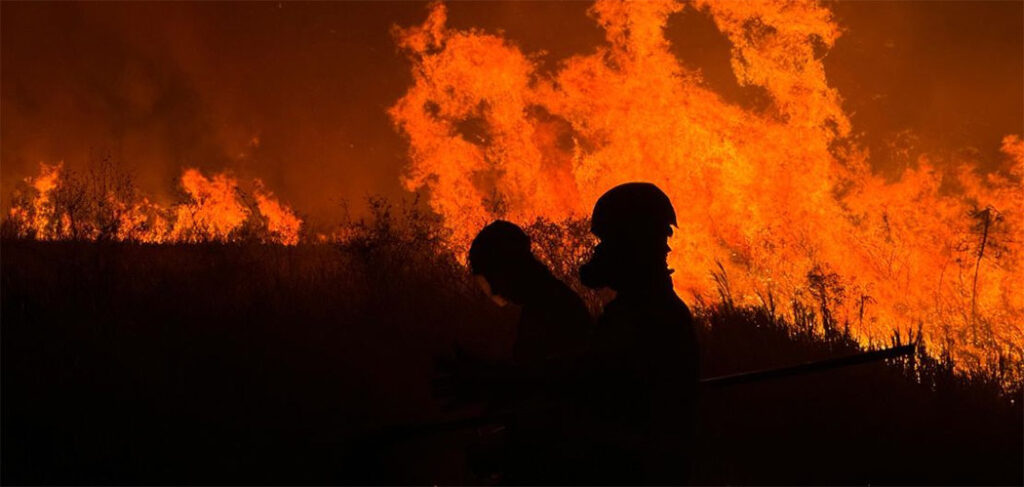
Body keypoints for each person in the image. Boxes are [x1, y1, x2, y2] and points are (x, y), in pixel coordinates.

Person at [435, 220, 593, 483]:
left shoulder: (554, 308)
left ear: (512, 268)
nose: (495, 290)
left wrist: (490, 381)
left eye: (494, 278)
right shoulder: (544, 305)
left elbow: (553, 394)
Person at [577, 182, 700, 484]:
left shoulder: (649, 315)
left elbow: (586, 380)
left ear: (631, 244)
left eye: (606, 241)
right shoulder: (647, 309)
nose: (599, 251)